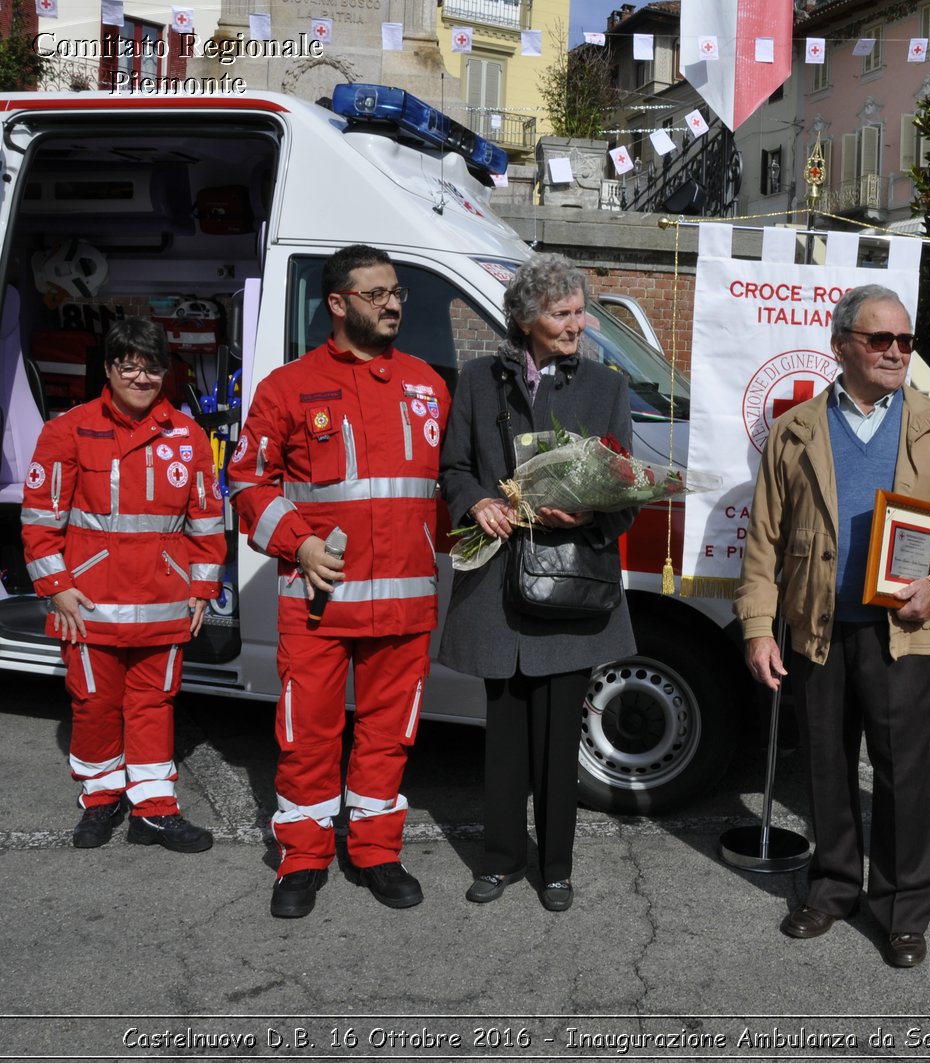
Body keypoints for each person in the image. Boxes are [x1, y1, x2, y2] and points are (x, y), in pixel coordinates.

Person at [736, 284, 930, 968]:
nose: (895, 352)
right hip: (818, 628)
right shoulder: (796, 430)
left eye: (905, 341)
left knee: (904, 775)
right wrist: (759, 629)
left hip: (904, 634)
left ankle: (904, 908)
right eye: (880, 339)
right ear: (841, 346)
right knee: (825, 769)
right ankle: (832, 888)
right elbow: (764, 543)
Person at [228, 244, 450, 919]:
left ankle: (378, 851)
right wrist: (298, 539)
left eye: (396, 293)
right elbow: (245, 480)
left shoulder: (428, 384)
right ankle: (303, 855)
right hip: (319, 605)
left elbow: (445, 488)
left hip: (407, 602)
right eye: (376, 293)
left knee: (389, 734)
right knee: (309, 735)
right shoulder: (287, 388)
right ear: (337, 302)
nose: (391, 304)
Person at [439, 253, 637, 913]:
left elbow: (628, 492)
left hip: (569, 586)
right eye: (563, 313)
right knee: (504, 735)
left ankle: (555, 868)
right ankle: (499, 857)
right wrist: (477, 503)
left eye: (580, 310)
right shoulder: (475, 379)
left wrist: (588, 510)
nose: (577, 322)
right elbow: (455, 467)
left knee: (558, 740)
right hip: (499, 586)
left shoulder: (605, 387)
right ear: (526, 320)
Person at [21, 316, 223, 853]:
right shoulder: (68, 430)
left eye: (152, 367)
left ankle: (154, 810)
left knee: (155, 703)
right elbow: (41, 520)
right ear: (109, 369)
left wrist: (202, 589)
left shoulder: (187, 434)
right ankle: (101, 798)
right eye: (129, 366)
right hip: (87, 603)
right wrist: (57, 587)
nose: (141, 377)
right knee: (93, 704)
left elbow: (206, 522)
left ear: (166, 373)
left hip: (164, 601)